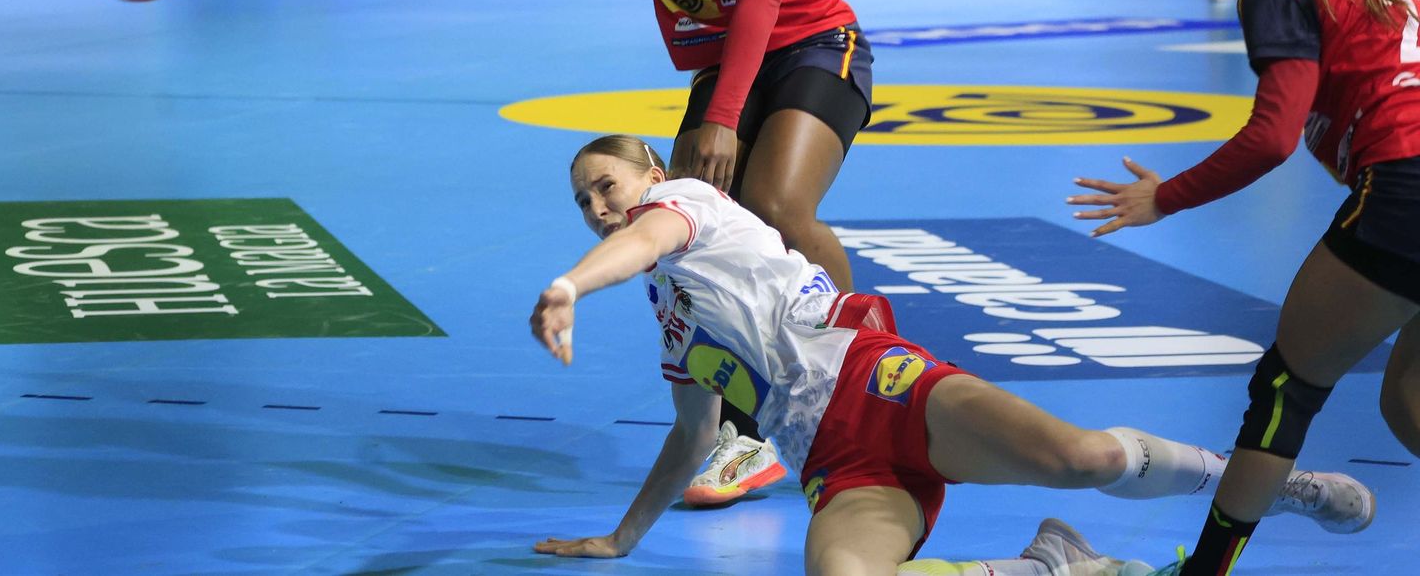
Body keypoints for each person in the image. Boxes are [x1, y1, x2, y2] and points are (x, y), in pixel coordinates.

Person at [415, 0, 874, 504]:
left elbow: (765, 1)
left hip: (811, 48)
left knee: (774, 203)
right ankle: (748, 434)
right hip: (728, 63)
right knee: (690, 233)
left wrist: (725, 118)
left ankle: (876, 362)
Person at [527, 135, 1373, 576]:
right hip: (834, 463)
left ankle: (1282, 484)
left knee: (1078, 457)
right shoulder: (672, 317)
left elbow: (646, 238)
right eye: (580, 201)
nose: (598, 205)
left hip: (881, 381)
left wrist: (569, 285)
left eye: (608, 185)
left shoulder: (686, 204)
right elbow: (690, 438)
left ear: (651, 172)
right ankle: (1054, 564)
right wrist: (621, 538)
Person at [1069, 0, 1417, 576]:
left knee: (1287, 391)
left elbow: (1272, 137)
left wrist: (1166, 197)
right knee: (1410, 400)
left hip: (1408, 192)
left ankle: (1205, 573)